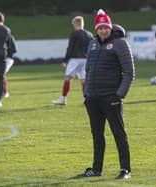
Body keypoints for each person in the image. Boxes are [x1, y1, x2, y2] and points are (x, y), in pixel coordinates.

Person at [78, 9, 134, 179]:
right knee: (97, 135)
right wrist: (86, 94)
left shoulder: (120, 43)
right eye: (100, 27)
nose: (103, 30)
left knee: (119, 133)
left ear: (110, 27)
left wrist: (119, 95)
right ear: (96, 29)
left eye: (106, 27)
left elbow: (129, 72)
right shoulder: (92, 44)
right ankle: (96, 169)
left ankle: (125, 170)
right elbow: (88, 69)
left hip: (111, 98)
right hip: (93, 98)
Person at [51, 16, 93, 105]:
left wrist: (65, 60)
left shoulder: (74, 34)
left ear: (75, 23)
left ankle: (63, 99)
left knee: (68, 78)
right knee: (83, 80)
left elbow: (70, 48)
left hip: (75, 59)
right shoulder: (89, 34)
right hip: (86, 60)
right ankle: (86, 99)